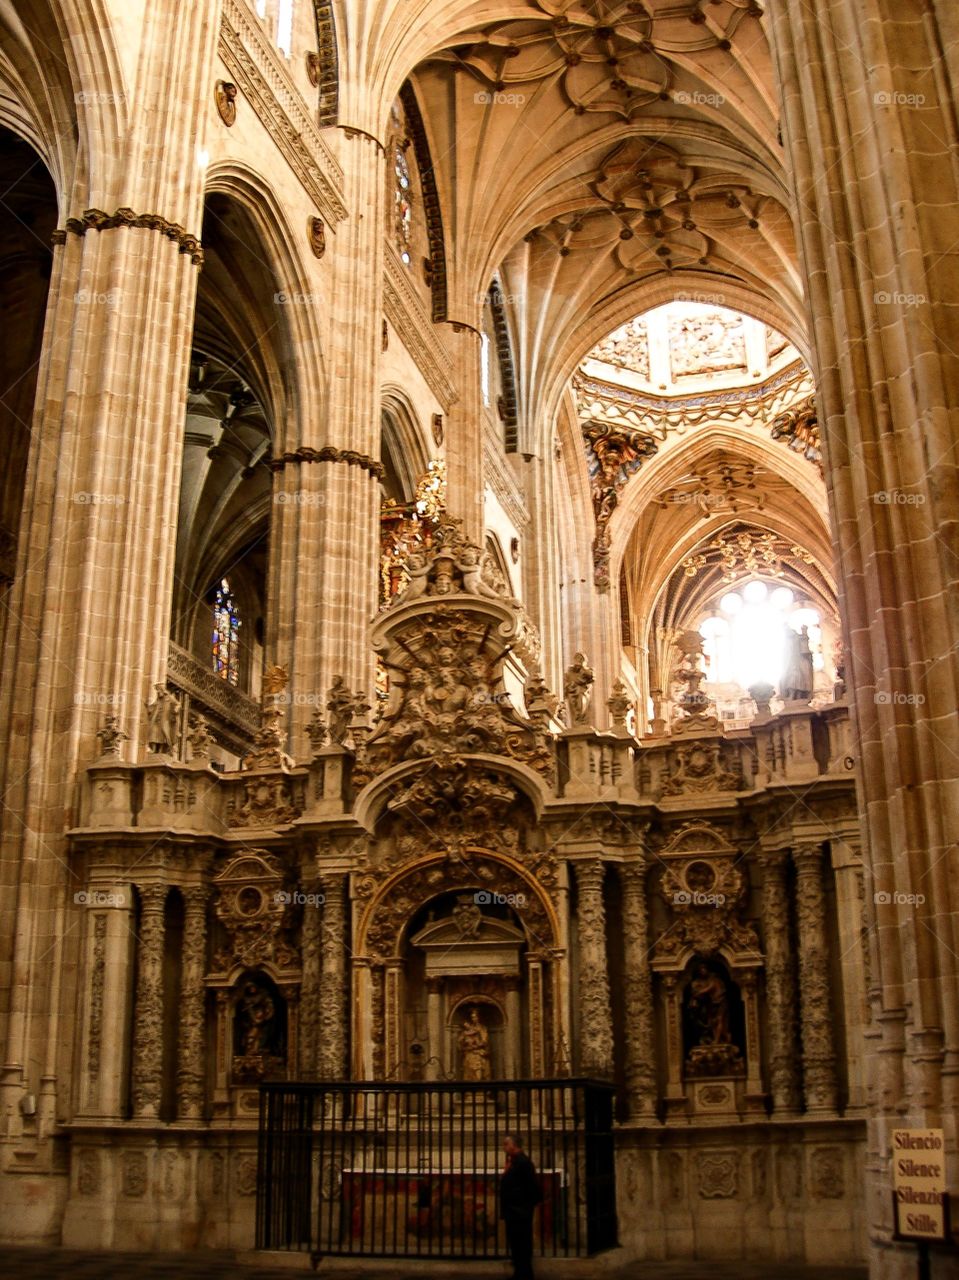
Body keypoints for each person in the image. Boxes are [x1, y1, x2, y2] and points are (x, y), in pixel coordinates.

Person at [500, 1133, 542, 1280]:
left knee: (522, 1243)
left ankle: (524, 1274)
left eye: (506, 1144)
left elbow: (533, 1187)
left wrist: (525, 1206)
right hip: (514, 1210)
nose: (504, 1147)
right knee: (516, 1243)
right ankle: (520, 1272)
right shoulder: (515, 1161)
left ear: (514, 1145)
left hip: (519, 1211)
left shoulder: (523, 1162)